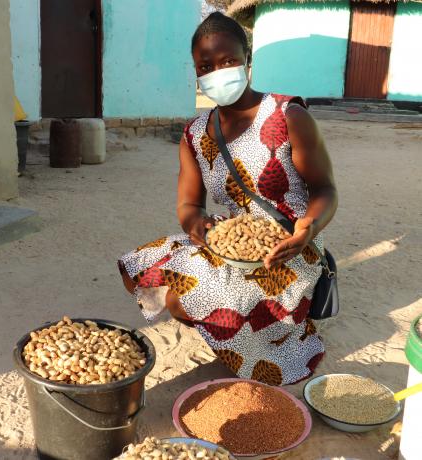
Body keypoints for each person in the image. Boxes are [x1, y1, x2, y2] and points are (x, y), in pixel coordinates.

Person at [118, 12, 338, 385]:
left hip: (290, 249)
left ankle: (268, 330)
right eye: (206, 66)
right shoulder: (195, 133)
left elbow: (325, 190)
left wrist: (307, 229)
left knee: (181, 298)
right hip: (232, 240)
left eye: (228, 61)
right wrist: (196, 225)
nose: (217, 72)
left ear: (248, 61)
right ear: (196, 73)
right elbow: (189, 205)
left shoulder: (288, 115)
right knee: (140, 266)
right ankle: (223, 318)